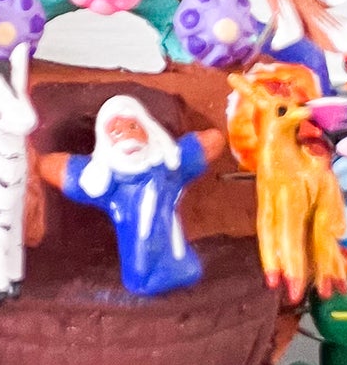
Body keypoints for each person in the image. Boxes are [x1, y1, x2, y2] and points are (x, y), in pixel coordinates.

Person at [40, 94, 226, 298]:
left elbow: (212, 141)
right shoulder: (106, 182)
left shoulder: (171, 166)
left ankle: (177, 270)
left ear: (149, 129)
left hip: (180, 260)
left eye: (133, 127)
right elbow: (55, 168)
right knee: (141, 267)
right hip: (139, 270)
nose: (128, 137)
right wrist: (34, 163)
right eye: (116, 132)